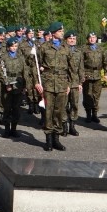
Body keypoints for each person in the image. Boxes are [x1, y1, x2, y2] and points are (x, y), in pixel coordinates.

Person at [33, 21, 72, 151]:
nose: (62, 33)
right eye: (60, 31)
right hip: (48, 82)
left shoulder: (66, 47)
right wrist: (37, 82)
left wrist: (69, 84)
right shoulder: (44, 47)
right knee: (48, 111)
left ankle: (57, 139)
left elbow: (71, 67)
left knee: (59, 111)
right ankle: (48, 140)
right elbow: (35, 65)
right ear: (54, 32)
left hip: (62, 82)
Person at [0, 37, 30, 138]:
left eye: (16, 46)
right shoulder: (3, 57)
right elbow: (0, 72)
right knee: (7, 107)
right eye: (12, 46)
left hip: (18, 84)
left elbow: (25, 72)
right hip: (7, 85)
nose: (14, 48)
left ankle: (14, 129)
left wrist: (26, 86)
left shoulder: (21, 58)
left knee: (16, 108)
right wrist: (6, 83)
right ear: (8, 47)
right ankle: (7, 130)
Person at [63, 30, 83, 137]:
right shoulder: (63, 51)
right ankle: (64, 126)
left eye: (74, 39)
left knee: (74, 105)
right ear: (66, 40)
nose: (72, 40)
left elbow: (81, 68)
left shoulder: (78, 52)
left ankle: (72, 126)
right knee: (64, 105)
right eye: (70, 39)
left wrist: (80, 83)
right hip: (65, 82)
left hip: (75, 83)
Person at [81, 31, 104, 123]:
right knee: (87, 95)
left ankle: (95, 114)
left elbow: (105, 62)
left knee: (96, 95)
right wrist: (82, 75)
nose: (92, 39)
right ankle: (88, 114)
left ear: (96, 39)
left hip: (97, 75)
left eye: (94, 37)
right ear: (87, 39)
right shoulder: (83, 49)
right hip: (87, 74)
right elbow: (81, 63)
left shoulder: (101, 49)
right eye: (90, 37)